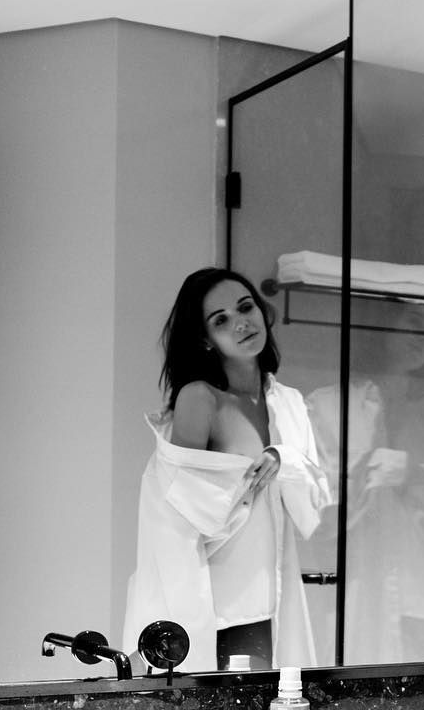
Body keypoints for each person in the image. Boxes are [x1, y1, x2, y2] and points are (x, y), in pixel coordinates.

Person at [123, 269, 331, 672]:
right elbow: (179, 511)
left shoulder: (287, 402)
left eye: (245, 307)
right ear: (205, 338)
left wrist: (283, 459)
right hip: (213, 608)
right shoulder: (200, 399)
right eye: (221, 319)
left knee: (277, 705)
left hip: (272, 600)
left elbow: (313, 502)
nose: (241, 323)